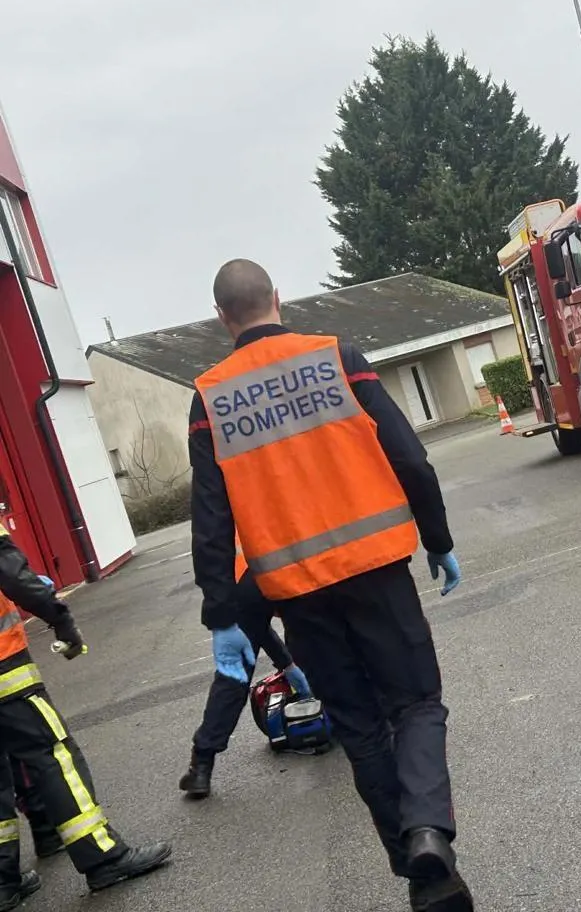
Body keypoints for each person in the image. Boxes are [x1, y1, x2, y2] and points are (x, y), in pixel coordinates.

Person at [188, 259, 471, 912]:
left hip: (296, 595)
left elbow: (210, 517)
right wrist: (437, 538)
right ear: (277, 298)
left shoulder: (209, 398)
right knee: (416, 704)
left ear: (222, 318)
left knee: (361, 729)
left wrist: (222, 613)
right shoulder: (337, 358)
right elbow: (410, 458)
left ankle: (423, 877)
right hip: (378, 572)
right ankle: (429, 833)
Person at [0, 523, 171, 908]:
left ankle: (3, 882)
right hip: (4, 672)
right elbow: (12, 574)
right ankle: (102, 858)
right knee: (53, 755)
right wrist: (60, 618)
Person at [179, 555, 314, 799]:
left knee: (235, 676)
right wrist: (288, 664)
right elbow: (259, 624)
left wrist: (288, 664)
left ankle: (201, 766)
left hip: (251, 574)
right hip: (302, 563)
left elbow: (255, 620)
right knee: (325, 638)